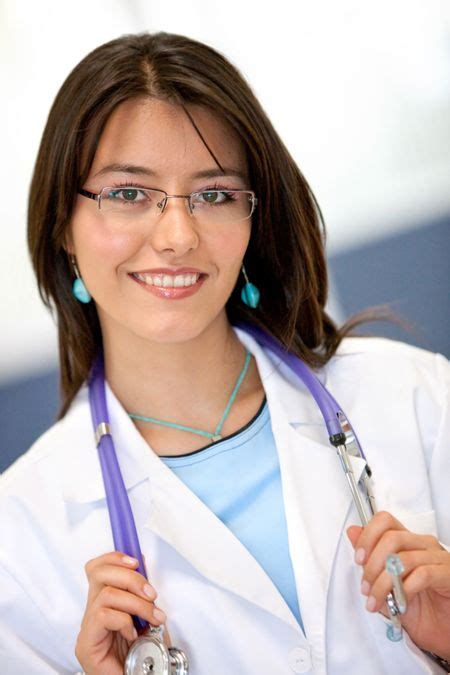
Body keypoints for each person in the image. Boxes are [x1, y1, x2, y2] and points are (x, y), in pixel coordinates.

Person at [0, 31, 449, 675]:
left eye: (213, 195)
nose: (178, 236)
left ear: (251, 218)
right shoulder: (19, 548)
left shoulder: (411, 397)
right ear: (62, 228)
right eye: (128, 193)